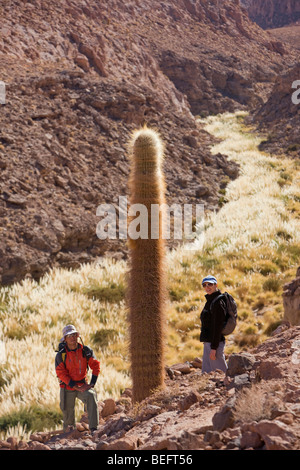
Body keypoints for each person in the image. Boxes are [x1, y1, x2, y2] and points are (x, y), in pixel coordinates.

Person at [55, 324, 100, 432]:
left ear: (78, 336)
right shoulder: (61, 355)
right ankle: (69, 436)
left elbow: (96, 366)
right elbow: (61, 373)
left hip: (82, 385)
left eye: (74, 335)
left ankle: (94, 429)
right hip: (67, 387)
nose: (73, 338)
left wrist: (91, 384)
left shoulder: (86, 351)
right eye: (69, 336)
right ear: (65, 339)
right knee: (67, 413)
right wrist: (75, 386)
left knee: (92, 395)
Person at [200, 275, 228, 374]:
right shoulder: (210, 301)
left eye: (210, 284)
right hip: (208, 342)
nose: (207, 287)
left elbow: (218, 327)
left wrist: (214, 348)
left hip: (215, 343)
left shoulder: (218, 302)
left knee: (222, 375)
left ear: (216, 285)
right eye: (204, 285)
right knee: (207, 375)